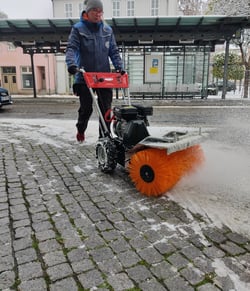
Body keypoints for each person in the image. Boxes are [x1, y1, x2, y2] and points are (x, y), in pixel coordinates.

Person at [65, 0, 124, 142]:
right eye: (95, 11)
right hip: (85, 77)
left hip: (103, 77)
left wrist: (119, 67)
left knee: (106, 109)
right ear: (87, 12)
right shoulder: (78, 29)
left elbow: (113, 51)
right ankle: (81, 129)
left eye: (100, 11)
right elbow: (71, 48)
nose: (98, 14)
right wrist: (71, 65)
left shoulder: (107, 30)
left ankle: (104, 138)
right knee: (86, 109)